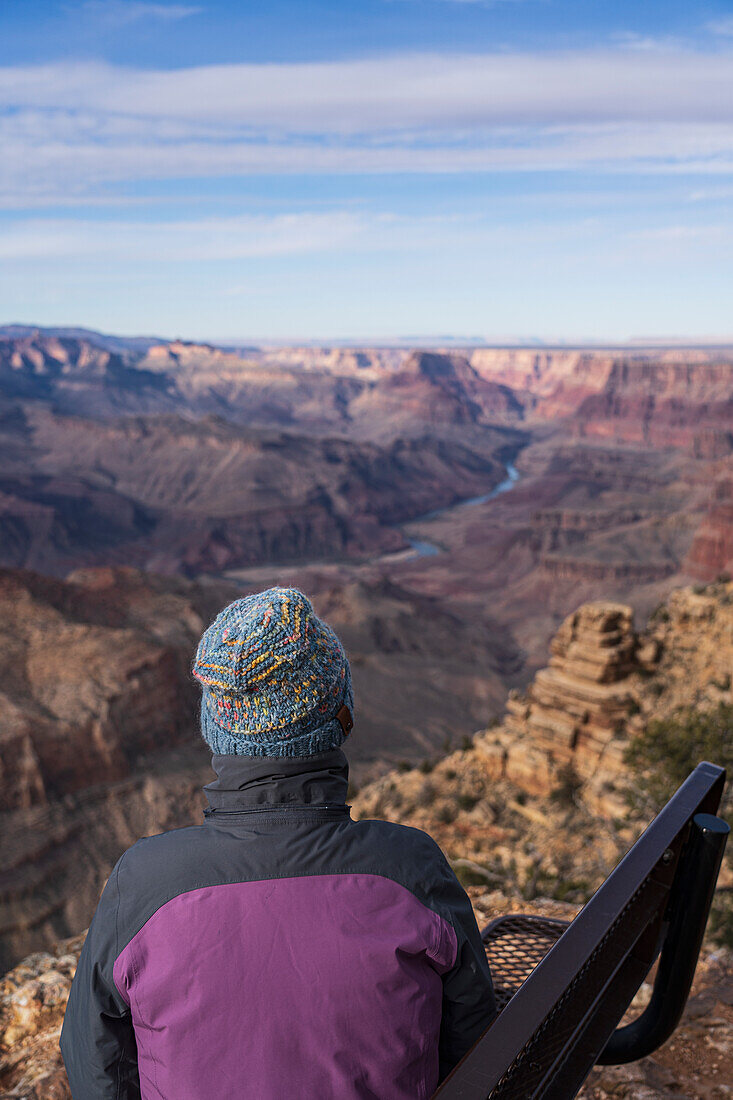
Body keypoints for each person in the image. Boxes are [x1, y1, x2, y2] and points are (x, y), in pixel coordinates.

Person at [60, 586, 496, 1099]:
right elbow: (472, 1042)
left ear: (214, 729)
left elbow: (94, 1060)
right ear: (341, 716)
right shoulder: (410, 868)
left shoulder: (143, 881)